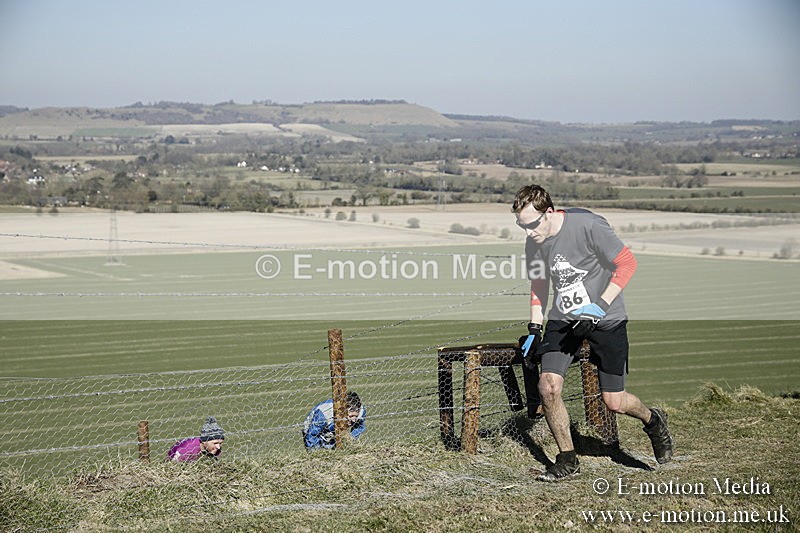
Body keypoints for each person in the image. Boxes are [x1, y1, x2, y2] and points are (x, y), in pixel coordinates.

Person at [512, 184, 673, 482]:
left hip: (606, 317)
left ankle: (653, 421)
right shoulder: (533, 241)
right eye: (521, 226)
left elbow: (627, 263)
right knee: (548, 386)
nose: (528, 233)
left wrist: (597, 308)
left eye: (532, 225)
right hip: (563, 320)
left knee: (614, 401)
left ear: (549, 213)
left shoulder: (588, 225)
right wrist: (534, 327)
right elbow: (539, 284)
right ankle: (567, 459)